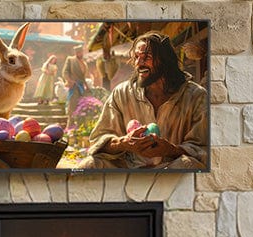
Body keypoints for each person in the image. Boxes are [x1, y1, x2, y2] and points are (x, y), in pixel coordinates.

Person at [79, 31, 208, 170]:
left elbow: (205, 151)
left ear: (165, 60)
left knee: (187, 165)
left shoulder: (196, 96)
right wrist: (124, 142)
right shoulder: (121, 93)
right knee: (89, 165)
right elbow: (98, 141)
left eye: (147, 57)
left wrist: (170, 150)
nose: (138, 63)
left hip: (171, 169)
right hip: (129, 168)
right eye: (136, 57)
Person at [62, 44, 88, 126]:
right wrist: (70, 81)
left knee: (82, 106)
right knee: (72, 106)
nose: (80, 54)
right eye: (78, 52)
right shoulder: (70, 60)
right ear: (76, 52)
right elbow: (65, 72)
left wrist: (86, 85)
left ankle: (80, 125)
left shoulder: (84, 63)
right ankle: (70, 126)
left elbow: (83, 77)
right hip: (74, 85)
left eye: (81, 52)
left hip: (82, 87)